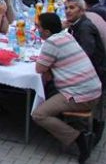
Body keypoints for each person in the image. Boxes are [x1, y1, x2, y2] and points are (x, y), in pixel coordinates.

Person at [33, 13, 101, 163]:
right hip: (94, 88)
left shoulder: (51, 42)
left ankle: (78, 139)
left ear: (47, 32)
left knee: (39, 115)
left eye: (39, 27)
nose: (37, 29)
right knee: (50, 88)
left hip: (80, 95)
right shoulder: (67, 36)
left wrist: (48, 68)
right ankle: (95, 125)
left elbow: (39, 68)